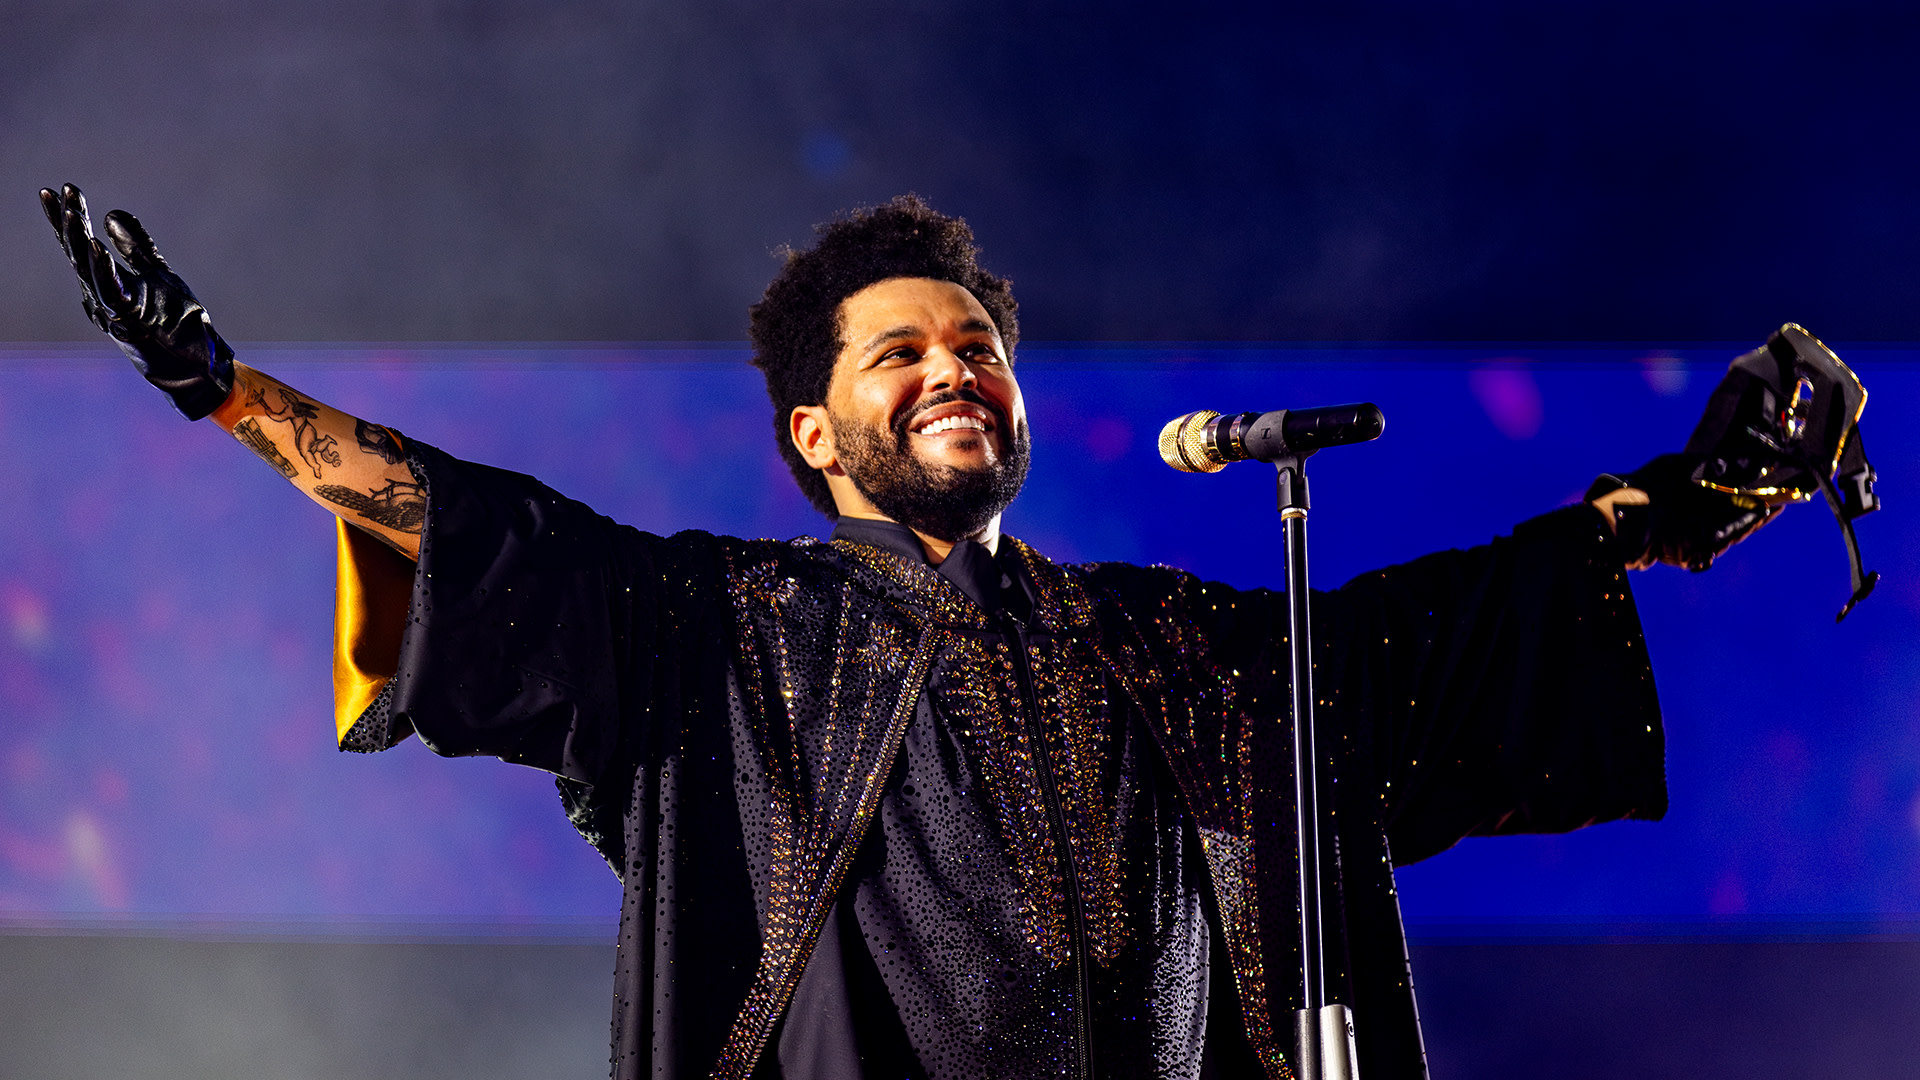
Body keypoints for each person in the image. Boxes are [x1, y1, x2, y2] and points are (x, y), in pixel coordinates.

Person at [40, 184, 1770, 1080]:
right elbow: (476, 527)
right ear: (817, 433)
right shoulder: (718, 629)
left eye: (979, 348)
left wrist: (1692, 496)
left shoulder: (1163, 642)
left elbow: (1429, 644)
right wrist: (221, 386)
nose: (956, 369)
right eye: (904, 354)